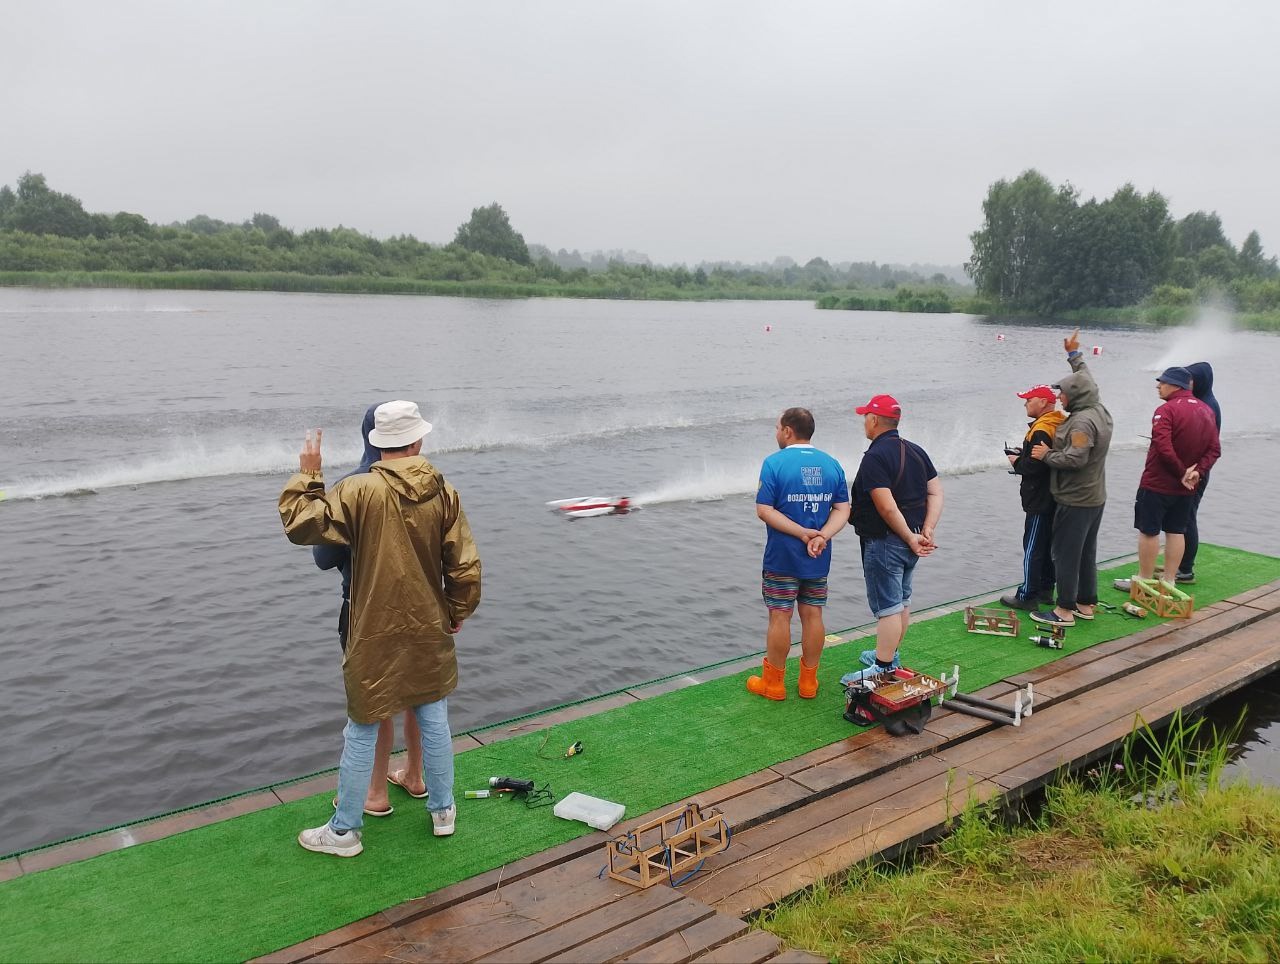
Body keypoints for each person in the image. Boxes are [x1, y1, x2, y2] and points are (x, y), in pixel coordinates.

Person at [279, 400, 482, 857]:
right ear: (418, 440)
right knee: (433, 717)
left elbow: (303, 526)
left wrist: (309, 474)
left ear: (375, 442)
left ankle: (345, 830)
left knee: (363, 726)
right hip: (429, 622)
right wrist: (457, 609)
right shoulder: (441, 487)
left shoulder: (359, 490)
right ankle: (442, 811)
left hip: (372, 626)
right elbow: (464, 563)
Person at [312, 403, 427, 816]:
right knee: (422, 693)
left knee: (373, 699)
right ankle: (415, 776)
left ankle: (375, 793)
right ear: (415, 438)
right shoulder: (431, 484)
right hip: (424, 610)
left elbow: (324, 558)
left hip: (366, 611)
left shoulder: (354, 486)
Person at [748, 407, 850, 701]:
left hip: (782, 556)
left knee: (780, 616)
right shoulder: (831, 464)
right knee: (812, 614)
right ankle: (808, 682)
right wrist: (822, 535)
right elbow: (843, 508)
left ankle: (774, 684)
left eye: (777, 427)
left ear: (788, 431)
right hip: (818, 556)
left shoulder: (774, 463)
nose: (776, 433)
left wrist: (800, 533)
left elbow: (764, 510)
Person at [841, 394, 943, 684]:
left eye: (865, 417)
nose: (864, 422)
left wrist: (910, 538)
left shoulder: (875, 456)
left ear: (874, 420)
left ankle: (883, 666)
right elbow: (935, 492)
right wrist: (927, 529)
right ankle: (890, 654)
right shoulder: (916, 451)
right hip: (912, 538)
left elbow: (886, 506)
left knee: (888, 607)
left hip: (886, 541)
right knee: (902, 601)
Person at [1028, 329, 1112, 628]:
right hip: (1094, 496)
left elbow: (1076, 458)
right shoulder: (1095, 405)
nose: (1058, 397)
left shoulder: (1081, 422)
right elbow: (1086, 379)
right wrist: (1074, 355)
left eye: (1061, 393)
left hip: (1076, 499)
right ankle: (1085, 603)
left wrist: (1045, 455)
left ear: (1074, 396)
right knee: (1087, 552)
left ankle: (1064, 610)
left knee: (1064, 554)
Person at [1112, 367, 1220, 593]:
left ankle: (1144, 579)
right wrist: (1197, 472)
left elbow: (1163, 446)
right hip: (1187, 487)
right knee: (1176, 530)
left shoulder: (1166, 410)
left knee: (1149, 530)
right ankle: (1169, 580)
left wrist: (1182, 472)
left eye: (1162, 382)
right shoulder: (1206, 409)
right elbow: (1214, 449)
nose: (1158, 385)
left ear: (1176, 386)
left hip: (1158, 482)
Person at [1000, 385, 1065, 610]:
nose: (1025, 403)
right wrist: (1024, 453)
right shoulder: (1059, 422)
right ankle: (1047, 590)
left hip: (1040, 499)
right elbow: (1047, 459)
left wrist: (1017, 461)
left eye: (1029, 399)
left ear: (1044, 402)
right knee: (1048, 547)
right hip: (1057, 496)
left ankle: (1027, 595)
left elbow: (1036, 467)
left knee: (1033, 547)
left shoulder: (1041, 428)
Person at [1176, 361, 1222, 583]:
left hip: (1196, 472)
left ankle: (1185, 569)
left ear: (1201, 381)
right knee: (1181, 516)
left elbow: (1208, 445)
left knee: (1187, 517)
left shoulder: (1208, 406)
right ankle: (1178, 563)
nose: (1187, 383)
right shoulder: (1199, 402)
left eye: (1191, 379)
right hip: (1190, 469)